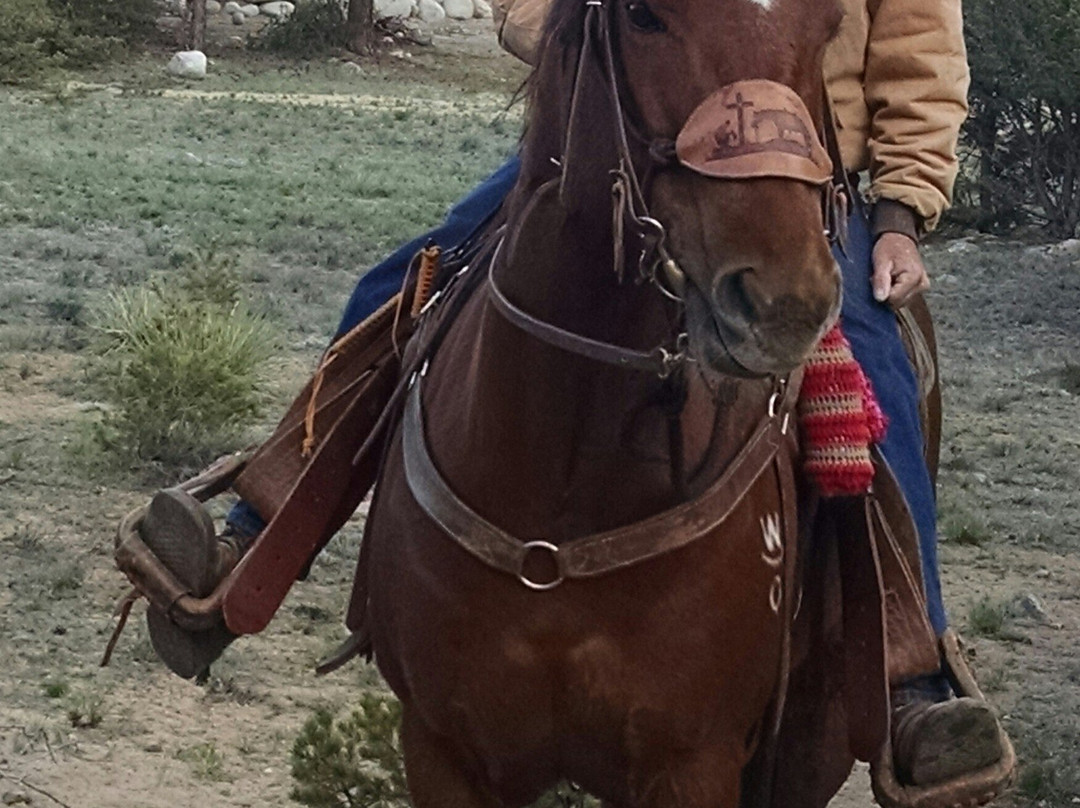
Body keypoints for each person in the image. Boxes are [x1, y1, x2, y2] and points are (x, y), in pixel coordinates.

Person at [131, 0, 1011, 799]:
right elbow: (523, 15)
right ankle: (254, 534)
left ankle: (910, 668)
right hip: (617, 144)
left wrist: (900, 210)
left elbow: (918, 53)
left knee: (876, 363)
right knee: (401, 287)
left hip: (800, 183)